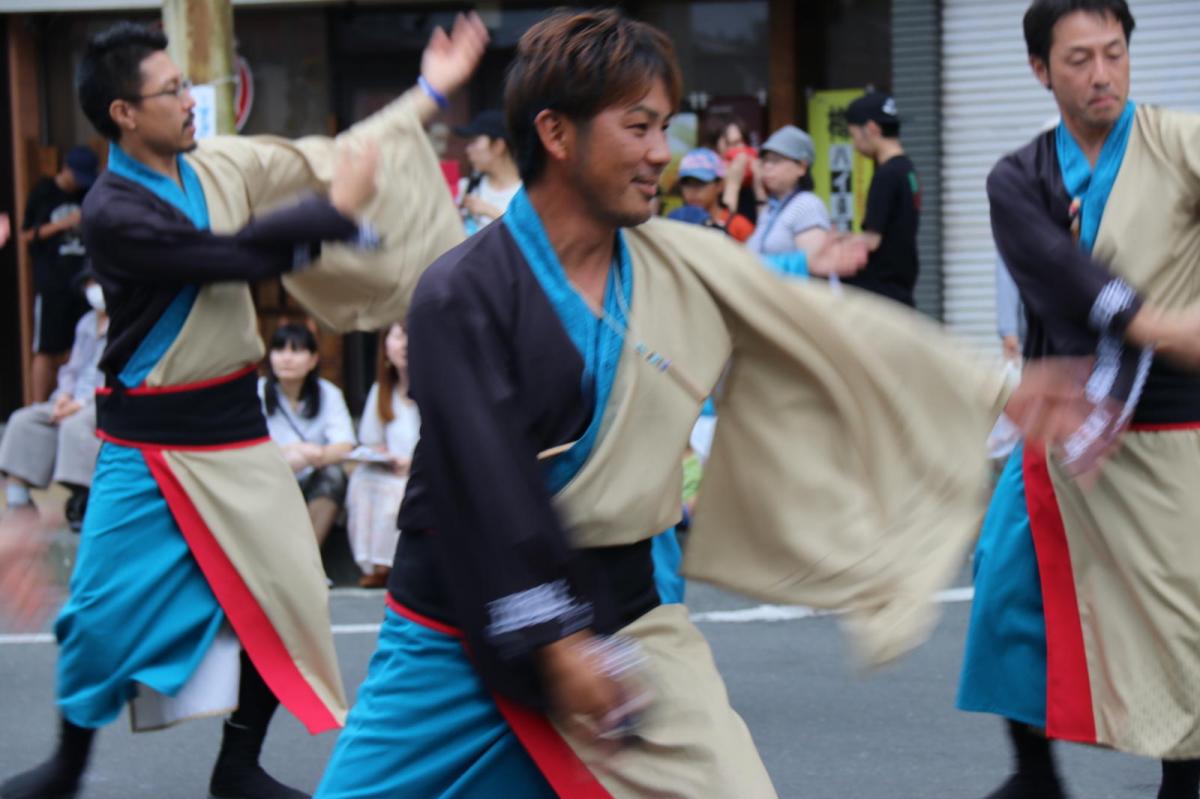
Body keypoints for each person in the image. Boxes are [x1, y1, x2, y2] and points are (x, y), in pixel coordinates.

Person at [314, 10, 1095, 798]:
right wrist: (553, 639)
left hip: (627, 625)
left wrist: (996, 388)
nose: (663, 151)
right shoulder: (463, 291)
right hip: (457, 636)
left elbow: (829, 329)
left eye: (663, 126)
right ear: (555, 133)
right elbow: (489, 487)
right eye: (639, 126)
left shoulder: (678, 260)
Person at [0, 13, 485, 799]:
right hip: (147, 445)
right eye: (170, 91)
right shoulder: (112, 210)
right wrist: (332, 212)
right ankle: (67, 764)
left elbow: (330, 156)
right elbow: (226, 257)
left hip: (234, 429)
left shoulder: (219, 163)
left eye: (185, 85)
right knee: (98, 614)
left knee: (288, 592)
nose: (188, 100)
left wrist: (429, 92)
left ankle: (238, 764)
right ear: (124, 113)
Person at [956, 2, 1200, 798]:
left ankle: (1183, 780)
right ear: (1040, 70)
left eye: (1114, 53)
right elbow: (1055, 272)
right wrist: (1152, 322)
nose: (1103, 74)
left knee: (1178, 618)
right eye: (1079, 59)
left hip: (1174, 423)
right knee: (1008, 591)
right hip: (1066, 419)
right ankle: (1035, 773)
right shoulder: (1018, 177)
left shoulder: (1179, 145)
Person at [0, 271, 108, 533]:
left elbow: (113, 375)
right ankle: (18, 501)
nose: (95, 290)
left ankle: (83, 498)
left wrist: (80, 404)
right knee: (25, 420)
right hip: (71, 399)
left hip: (102, 400)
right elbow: (71, 369)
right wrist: (63, 396)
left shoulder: (126, 322)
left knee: (75, 427)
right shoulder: (86, 323)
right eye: (90, 284)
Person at [259, 324, 355, 550]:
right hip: (270, 476)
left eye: (296, 350)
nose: (287, 358)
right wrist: (287, 455)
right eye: (279, 350)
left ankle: (307, 556)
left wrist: (312, 455)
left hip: (312, 476)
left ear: (313, 360)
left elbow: (345, 445)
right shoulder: (256, 393)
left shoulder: (328, 393)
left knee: (334, 476)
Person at [344, 322, 420, 588]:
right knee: (362, 479)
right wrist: (383, 456)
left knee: (396, 491)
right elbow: (371, 441)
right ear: (385, 347)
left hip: (423, 471)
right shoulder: (382, 391)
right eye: (398, 336)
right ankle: (377, 565)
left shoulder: (435, 388)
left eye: (410, 335)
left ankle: (395, 563)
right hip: (393, 470)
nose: (405, 344)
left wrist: (411, 463)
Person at [21, 146, 98, 402]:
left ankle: (74, 399)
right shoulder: (43, 192)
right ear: (66, 168)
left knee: (81, 344)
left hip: (84, 283)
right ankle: (37, 404)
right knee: (47, 347)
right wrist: (62, 224)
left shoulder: (88, 192)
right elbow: (27, 235)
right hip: (52, 283)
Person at [844, 91, 921, 307]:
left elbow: (872, 241)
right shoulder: (907, 169)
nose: (854, 145)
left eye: (853, 135)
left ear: (871, 129)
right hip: (902, 286)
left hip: (882, 291)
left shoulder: (886, 175)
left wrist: (832, 244)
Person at [745, 125, 832, 278]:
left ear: (802, 167)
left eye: (776, 160)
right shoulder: (771, 208)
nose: (767, 167)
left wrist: (758, 266)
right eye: (765, 160)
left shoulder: (807, 205)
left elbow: (812, 266)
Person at [455, 109, 522, 234]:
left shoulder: (528, 194)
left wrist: (490, 212)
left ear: (498, 146)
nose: (468, 150)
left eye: (474, 142)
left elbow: (531, 238)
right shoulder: (466, 187)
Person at [666, 148, 753, 242]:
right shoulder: (672, 222)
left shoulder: (739, 227)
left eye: (700, 183)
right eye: (686, 183)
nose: (693, 191)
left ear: (719, 185)